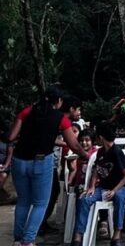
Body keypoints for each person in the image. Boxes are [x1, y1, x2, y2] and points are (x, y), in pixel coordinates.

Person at [9, 87, 89, 246]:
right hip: (41, 162)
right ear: (58, 102)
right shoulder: (60, 118)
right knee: (40, 204)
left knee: (23, 201)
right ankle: (28, 240)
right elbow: (74, 145)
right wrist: (87, 156)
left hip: (19, 160)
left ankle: (18, 239)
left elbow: (10, 136)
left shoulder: (26, 111)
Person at [69, 124, 125, 246]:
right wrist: (92, 187)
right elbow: (96, 170)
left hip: (122, 187)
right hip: (104, 187)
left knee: (119, 197)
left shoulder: (116, 152)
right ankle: (78, 236)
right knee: (84, 198)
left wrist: (114, 190)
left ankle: (116, 235)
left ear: (101, 138)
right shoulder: (101, 152)